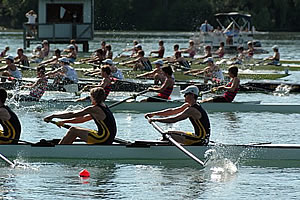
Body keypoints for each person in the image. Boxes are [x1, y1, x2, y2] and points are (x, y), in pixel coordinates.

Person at [44, 87, 117, 145]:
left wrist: (53, 116)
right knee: (74, 129)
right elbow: (82, 119)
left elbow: (72, 114)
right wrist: (63, 121)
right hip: (107, 138)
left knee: (73, 130)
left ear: (93, 97)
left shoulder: (94, 109)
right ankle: (63, 147)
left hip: (103, 138)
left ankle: (59, 150)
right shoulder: (104, 107)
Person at [145, 85, 210, 145]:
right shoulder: (188, 105)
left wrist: (155, 119)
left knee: (168, 134)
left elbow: (174, 119)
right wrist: (153, 114)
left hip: (200, 139)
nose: (184, 96)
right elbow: (173, 111)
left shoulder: (192, 110)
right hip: (196, 136)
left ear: (192, 95)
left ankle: (165, 148)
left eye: (185, 95)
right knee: (168, 133)